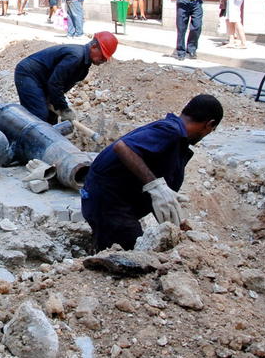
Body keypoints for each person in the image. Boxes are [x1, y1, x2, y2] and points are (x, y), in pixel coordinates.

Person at [81, 94, 224, 251]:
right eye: (212, 129)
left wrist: (171, 222)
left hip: (113, 206)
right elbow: (122, 147)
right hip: (108, 206)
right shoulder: (171, 132)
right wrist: (155, 186)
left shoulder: (176, 139)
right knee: (134, 259)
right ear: (209, 124)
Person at [13, 32, 117, 123]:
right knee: (39, 115)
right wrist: (64, 109)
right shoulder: (76, 57)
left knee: (51, 116)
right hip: (28, 74)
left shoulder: (83, 66)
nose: (104, 60)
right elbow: (55, 83)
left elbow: (59, 86)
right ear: (93, 46)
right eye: (103, 55)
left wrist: (56, 104)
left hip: (43, 78)